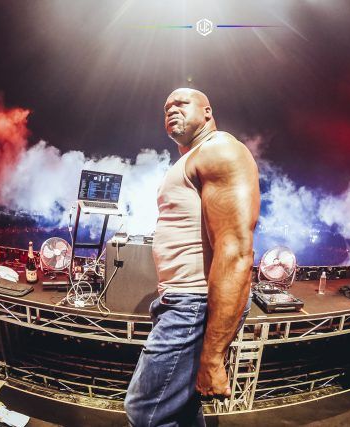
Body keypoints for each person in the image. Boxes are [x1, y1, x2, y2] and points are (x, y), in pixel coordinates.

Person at [124, 88, 260, 426]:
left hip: (193, 303)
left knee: (144, 410)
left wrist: (213, 358)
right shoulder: (191, 159)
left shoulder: (219, 149)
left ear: (207, 112)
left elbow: (236, 251)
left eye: (181, 103)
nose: (171, 109)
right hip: (183, 300)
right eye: (166, 107)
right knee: (182, 408)